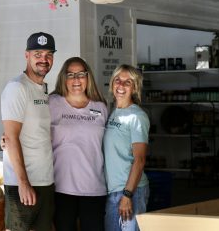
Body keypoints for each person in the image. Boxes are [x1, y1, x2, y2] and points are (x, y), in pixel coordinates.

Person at [1, 32, 56, 231]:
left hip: (45, 181)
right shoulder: (17, 87)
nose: (44, 59)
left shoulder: (43, 89)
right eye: (38, 53)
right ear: (27, 55)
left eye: (48, 54)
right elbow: (11, 137)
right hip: (22, 185)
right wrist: (23, 182)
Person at [49, 57, 108, 231]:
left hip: (94, 187)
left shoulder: (101, 107)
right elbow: (33, 130)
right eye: (71, 75)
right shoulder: (52, 103)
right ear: (63, 78)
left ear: (88, 77)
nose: (76, 79)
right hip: (61, 187)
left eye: (81, 74)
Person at [103, 64, 150, 231]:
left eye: (127, 82)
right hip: (114, 192)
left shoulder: (137, 116)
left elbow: (140, 159)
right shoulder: (112, 112)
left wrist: (127, 195)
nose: (121, 86)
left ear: (135, 87)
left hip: (130, 191)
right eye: (118, 80)